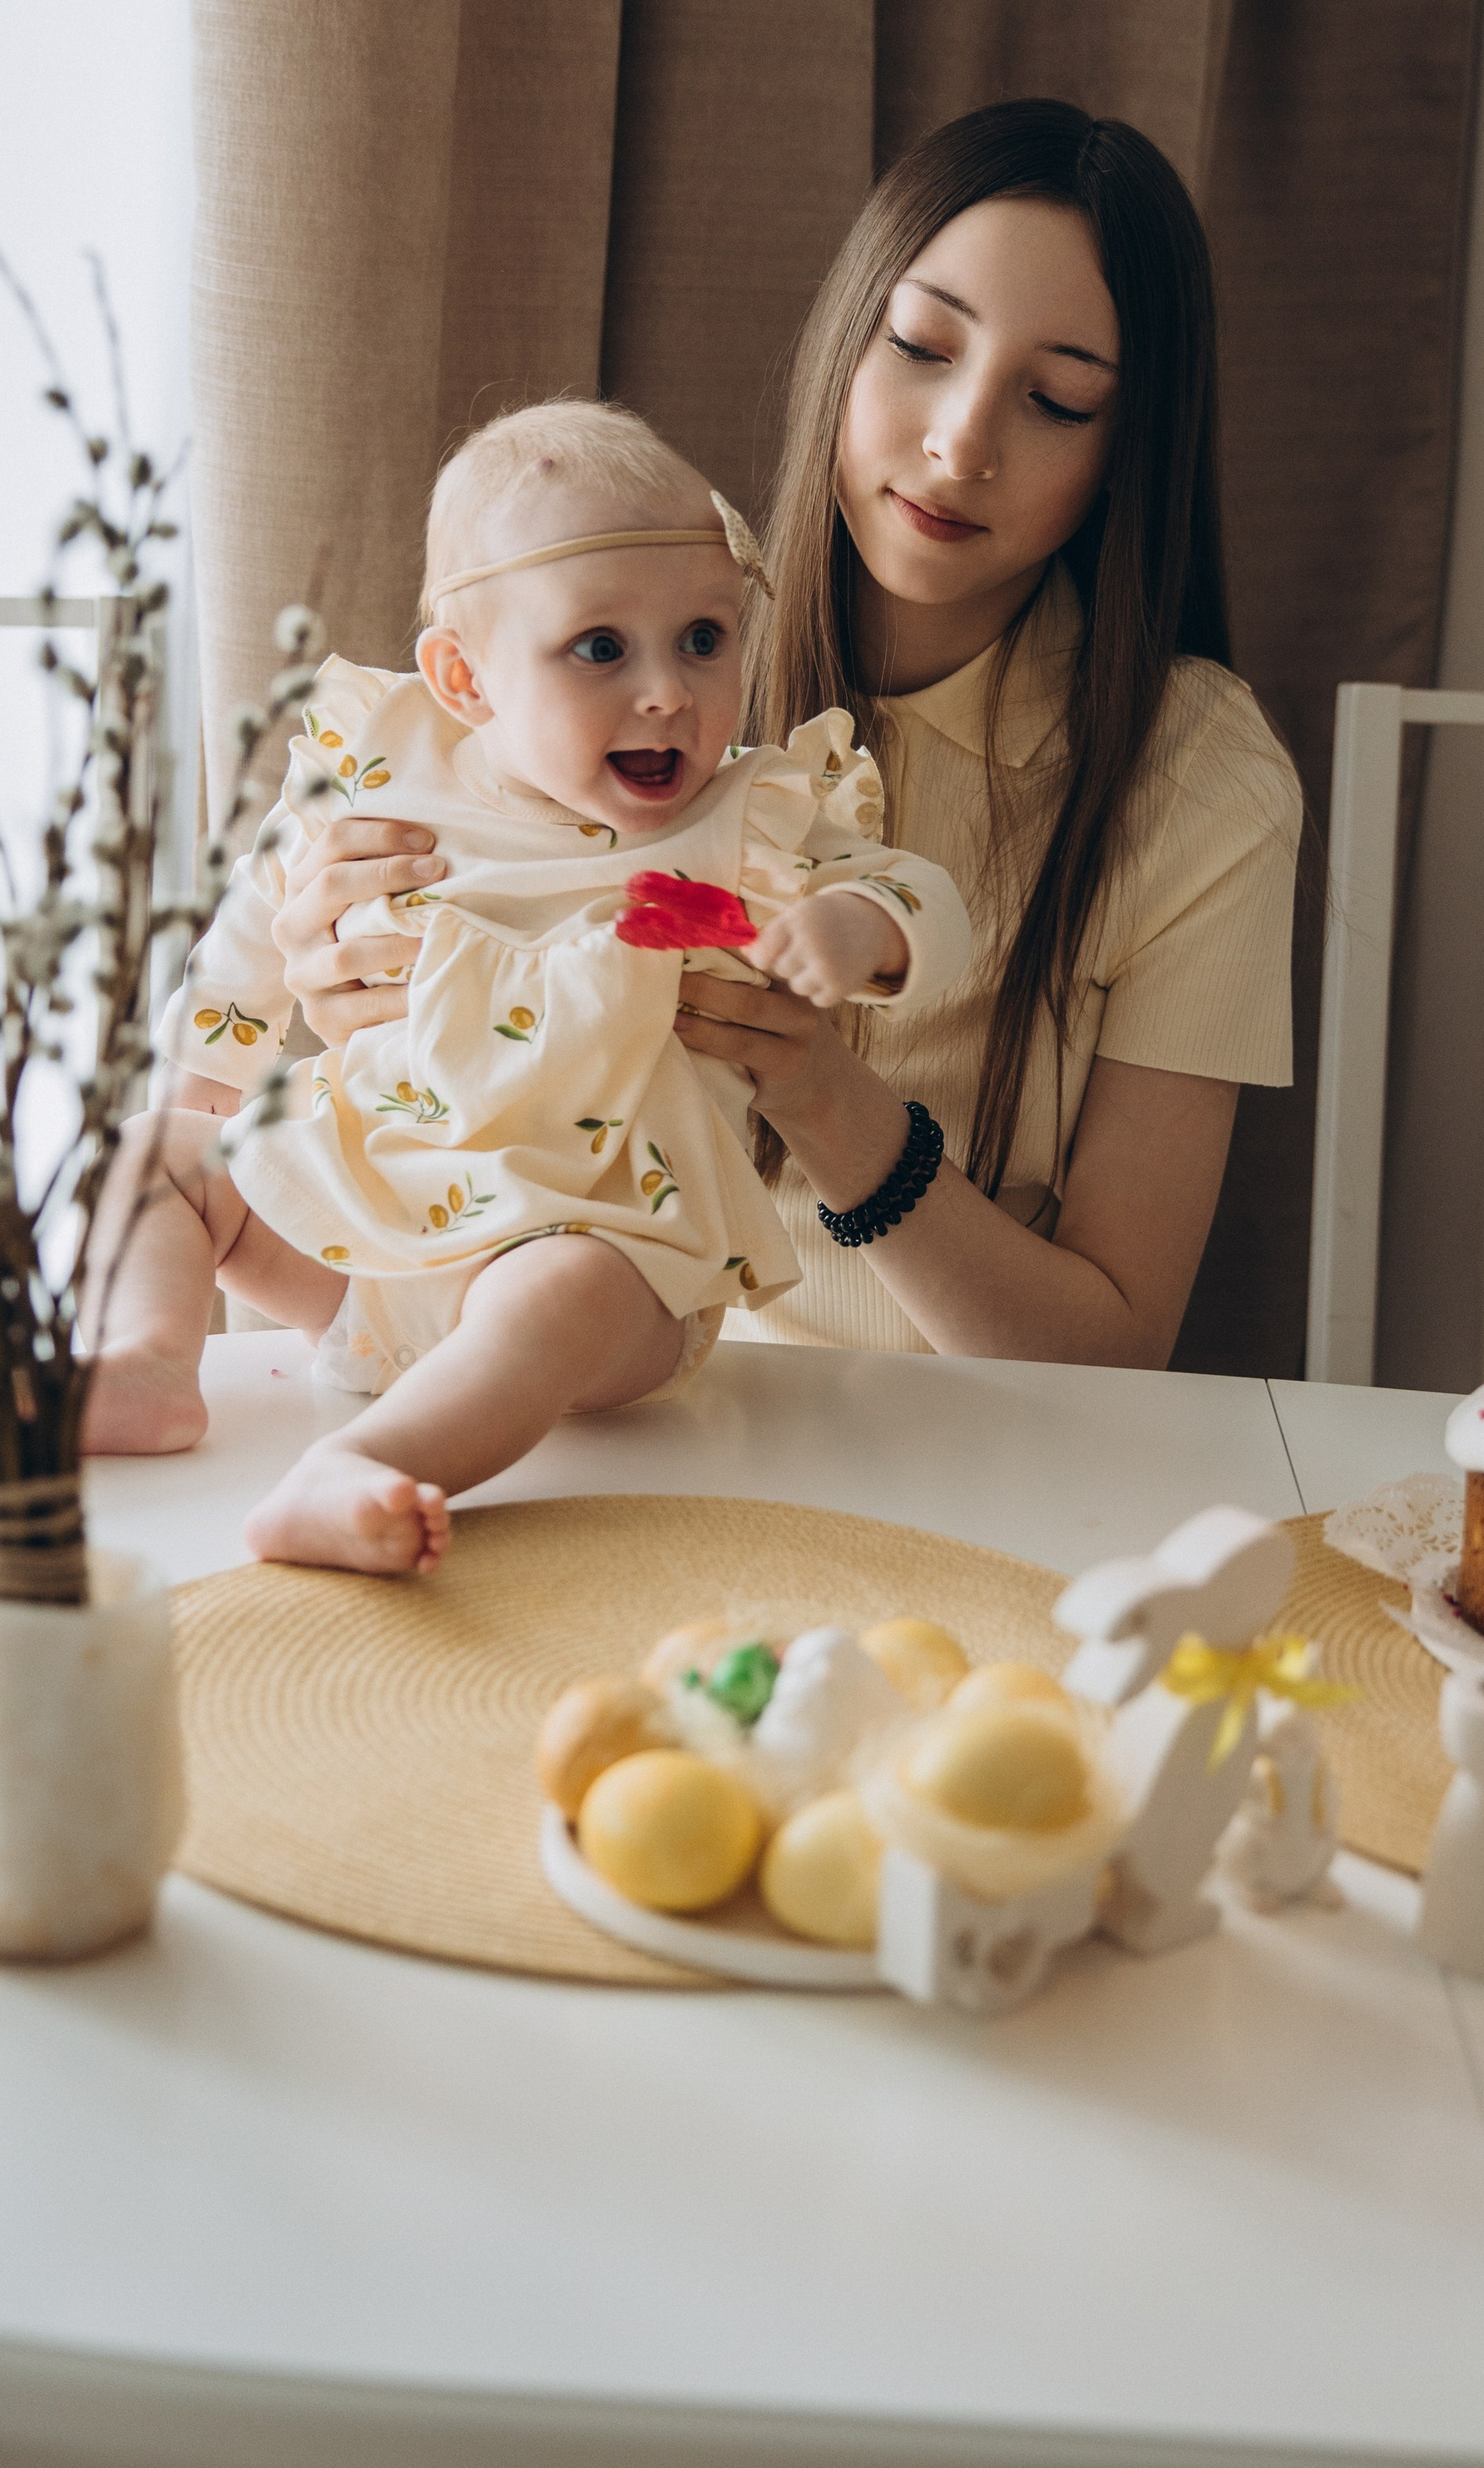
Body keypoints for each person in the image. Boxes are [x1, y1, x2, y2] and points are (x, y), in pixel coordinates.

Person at [263, 100, 1302, 1373]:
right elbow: (440, 1127)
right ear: (846, 342)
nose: (960, 442)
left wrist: (828, 1102)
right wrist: (346, 982)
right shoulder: (652, 663)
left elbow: (1110, 1353)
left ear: (1125, 453)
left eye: (1056, 399)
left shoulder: (1193, 773)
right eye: (921, 345)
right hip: (592, 1399)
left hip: (974, 1441)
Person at [81, 403, 968, 1571]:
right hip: (369, 1237)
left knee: (563, 1291)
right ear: (464, 678)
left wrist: (860, 928)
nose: (668, 692)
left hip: (600, 1249)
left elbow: (926, 898)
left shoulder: (744, 817)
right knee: (148, 1149)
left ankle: (365, 1462)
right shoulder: (382, 772)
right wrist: (208, 1093)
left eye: (704, 638)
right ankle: (147, 1362)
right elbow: (249, 932)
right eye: (601, 649)